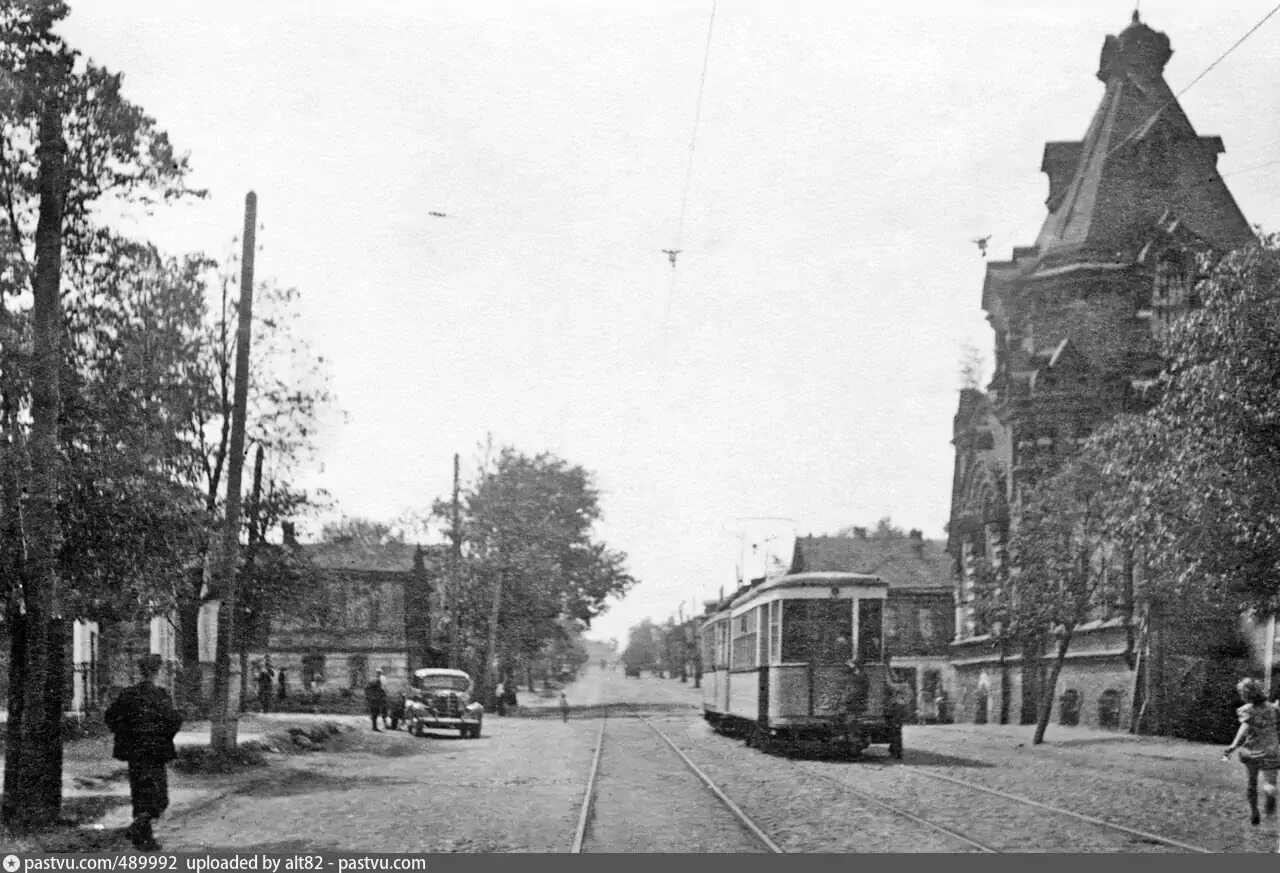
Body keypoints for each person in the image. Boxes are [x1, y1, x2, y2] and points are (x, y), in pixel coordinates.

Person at [104, 654, 183, 852]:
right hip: (155, 753)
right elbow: (174, 721)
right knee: (159, 798)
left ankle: (142, 836)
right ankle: (140, 832)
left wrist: (126, 735)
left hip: (136, 753)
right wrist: (165, 734)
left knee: (140, 796)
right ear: (157, 672)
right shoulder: (161, 695)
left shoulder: (129, 694)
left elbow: (111, 717)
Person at [1224, 677, 1280, 826]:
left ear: (1245, 694)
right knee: (1270, 782)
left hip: (1252, 750)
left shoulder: (1247, 710)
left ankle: (1254, 812)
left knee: (1252, 782)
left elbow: (1243, 730)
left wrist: (1233, 745)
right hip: (1271, 750)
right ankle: (1270, 794)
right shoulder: (1272, 708)